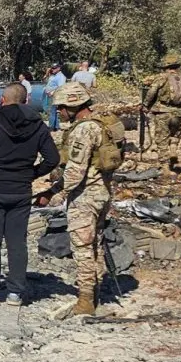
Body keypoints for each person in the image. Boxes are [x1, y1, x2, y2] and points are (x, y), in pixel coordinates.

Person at [0, 83, 59, 306]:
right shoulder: (38, 127)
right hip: (20, 192)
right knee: (17, 243)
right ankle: (15, 293)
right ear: (27, 100)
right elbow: (53, 159)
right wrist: (32, 173)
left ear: (1, 100)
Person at [41, 82, 117, 316]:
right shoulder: (101, 125)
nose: (60, 112)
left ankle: (85, 300)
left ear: (73, 105)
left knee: (83, 247)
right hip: (102, 192)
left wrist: (55, 192)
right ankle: (96, 291)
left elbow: (75, 171)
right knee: (97, 244)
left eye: (62, 108)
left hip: (85, 196)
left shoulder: (84, 130)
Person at [141, 53, 181, 160]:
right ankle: (173, 148)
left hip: (163, 112)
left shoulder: (162, 77)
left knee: (161, 139)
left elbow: (152, 92)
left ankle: (164, 165)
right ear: (177, 67)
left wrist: (145, 105)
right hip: (178, 113)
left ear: (166, 67)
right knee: (174, 133)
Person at [43, 64, 67, 130]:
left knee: (52, 111)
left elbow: (61, 87)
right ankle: (56, 126)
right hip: (51, 95)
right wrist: (47, 73)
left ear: (58, 68)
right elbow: (45, 80)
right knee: (54, 111)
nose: (52, 69)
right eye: (52, 68)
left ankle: (51, 127)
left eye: (54, 68)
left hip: (55, 96)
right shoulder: (54, 76)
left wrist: (52, 92)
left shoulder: (61, 76)